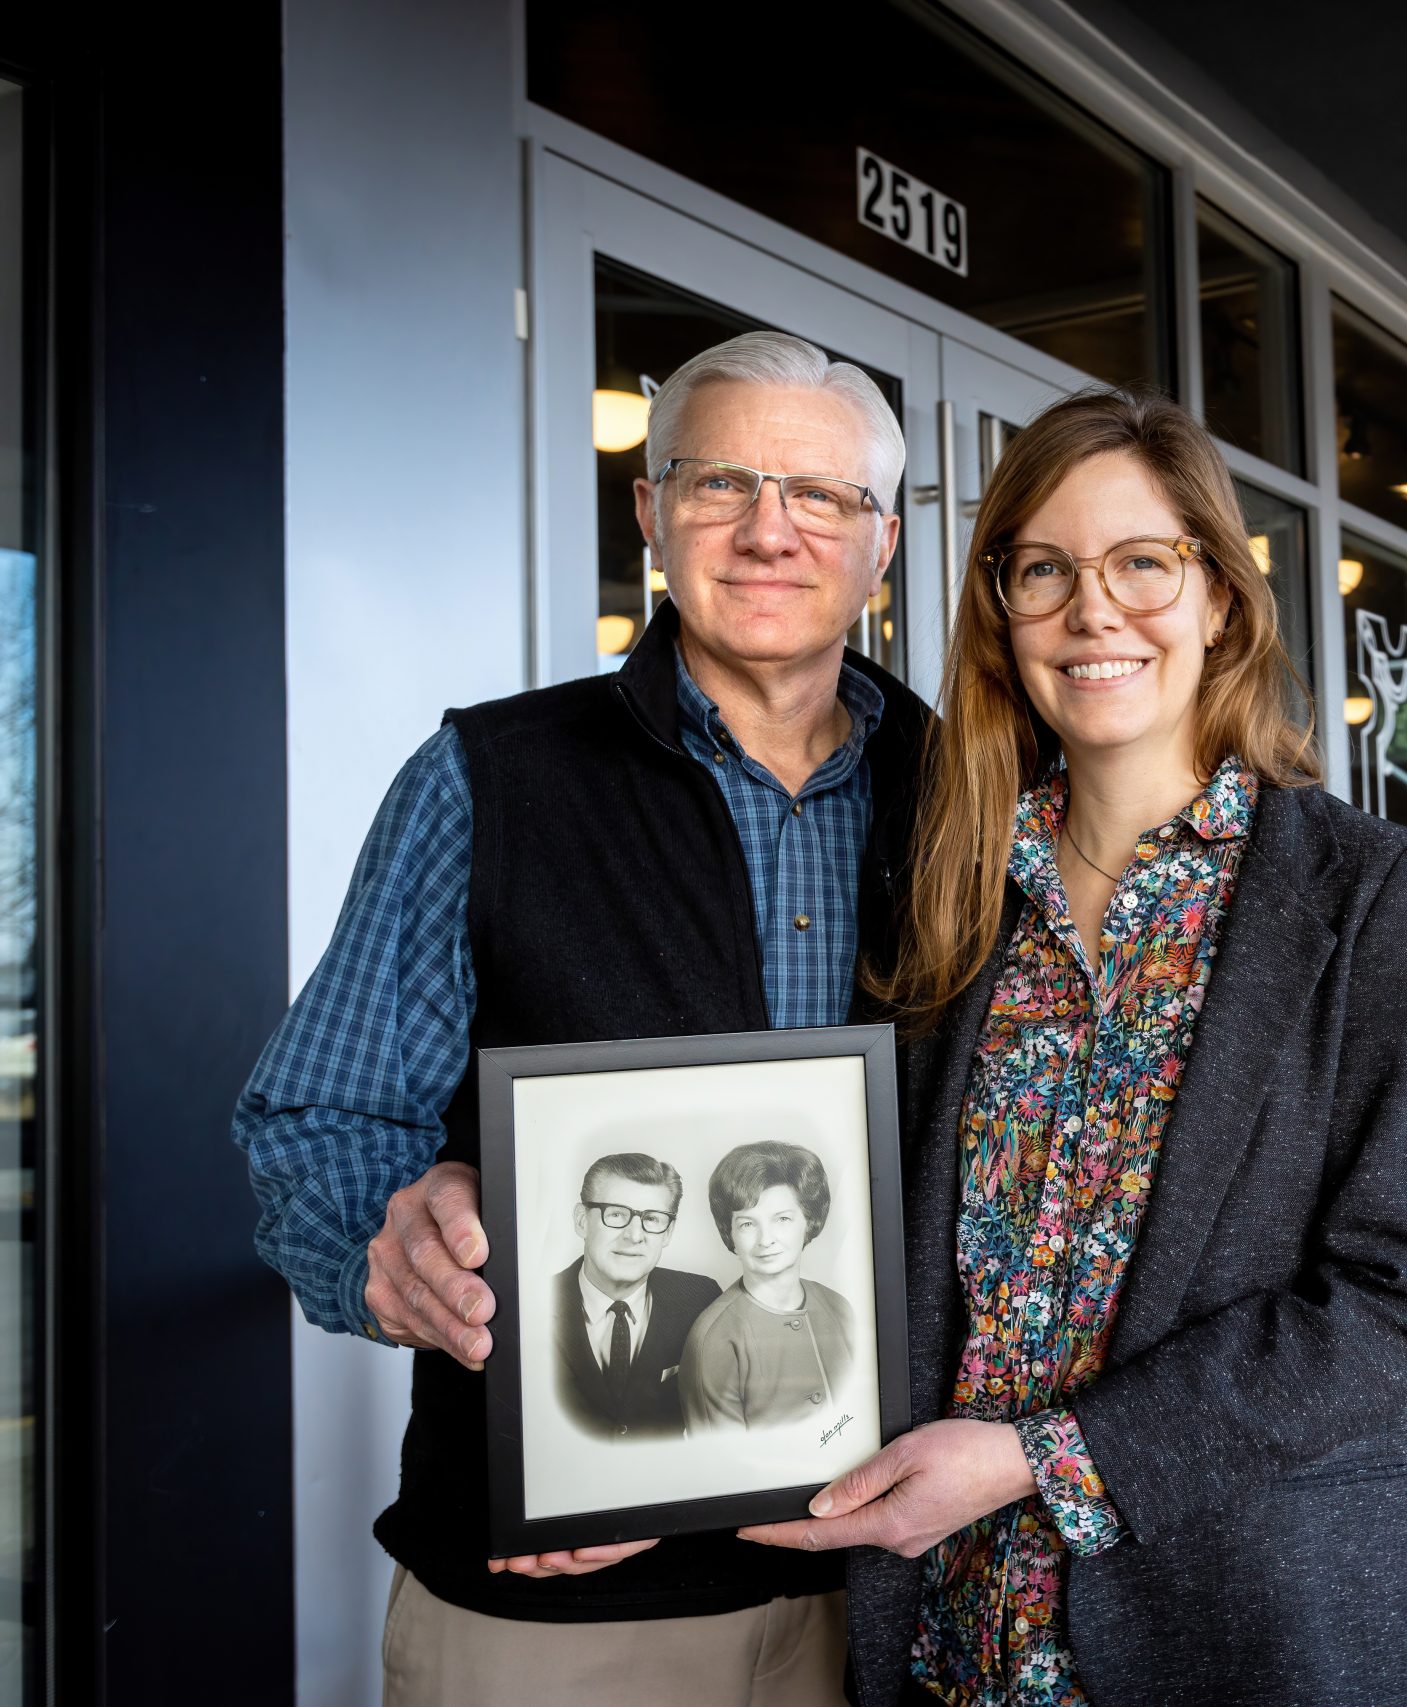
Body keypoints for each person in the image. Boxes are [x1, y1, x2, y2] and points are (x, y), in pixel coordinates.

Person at [738, 391, 1407, 1707]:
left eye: (1143, 561)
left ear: (1219, 601)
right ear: (1002, 612)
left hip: (1251, 1625)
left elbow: (1395, 1303)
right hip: (955, 1633)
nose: (1095, 610)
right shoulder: (951, 893)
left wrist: (1040, 1456)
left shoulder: (1366, 889)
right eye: (1045, 569)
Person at [232, 329, 927, 1706]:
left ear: (882, 541)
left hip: (900, 1578)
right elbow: (313, 1123)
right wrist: (392, 1237)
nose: (769, 529)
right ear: (650, 510)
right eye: (721, 480)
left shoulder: (971, 796)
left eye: (821, 495)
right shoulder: (488, 777)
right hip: (566, 1606)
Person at [681, 1140, 860, 1433]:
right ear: (731, 1233)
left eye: (782, 1219)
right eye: (748, 1224)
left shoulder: (839, 1308)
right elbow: (726, 1467)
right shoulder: (712, 1340)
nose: (766, 1239)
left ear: (808, 1222)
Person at [557, 1152, 719, 1440]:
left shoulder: (701, 1299)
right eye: (616, 1214)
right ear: (582, 1221)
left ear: (667, 1232)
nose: (634, 1235)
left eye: (652, 1219)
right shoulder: (532, 1306)